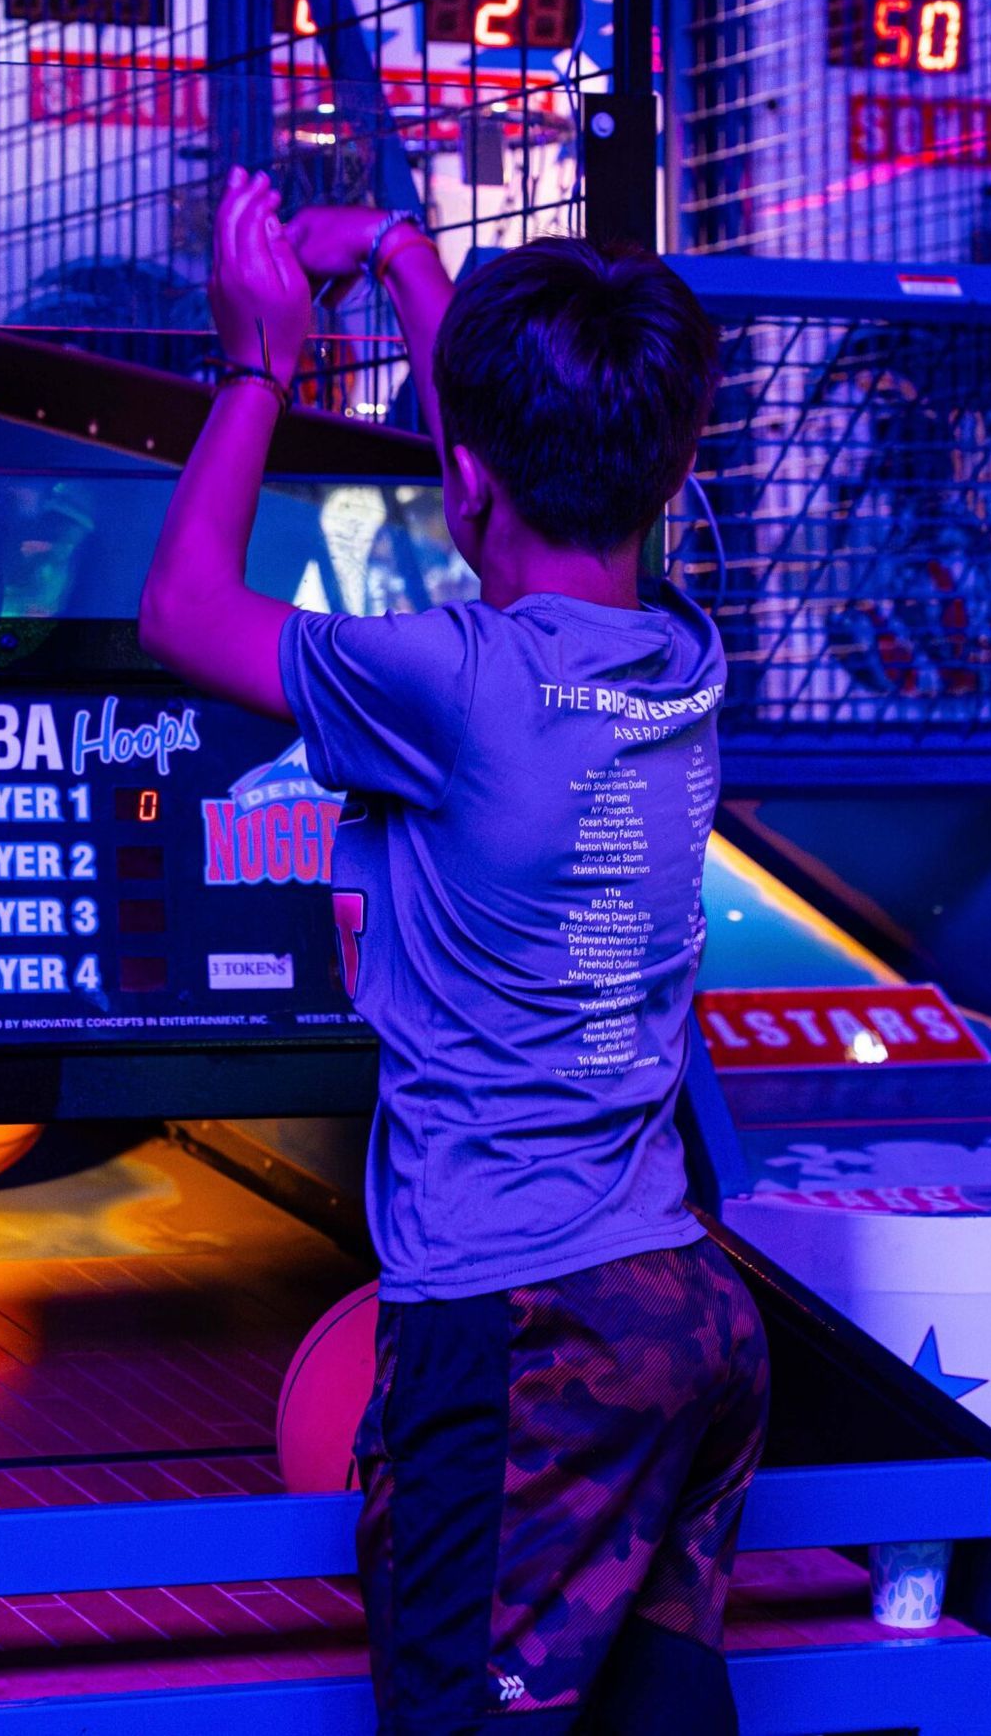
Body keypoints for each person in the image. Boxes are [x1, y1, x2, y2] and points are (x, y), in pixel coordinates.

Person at [140, 172, 768, 1735]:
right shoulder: (682, 655)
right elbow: (513, 476)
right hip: (684, 1310)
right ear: (669, 471)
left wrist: (259, 364)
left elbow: (182, 608)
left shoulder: (459, 680)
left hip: (522, 1340)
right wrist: (413, 260)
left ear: (466, 484)